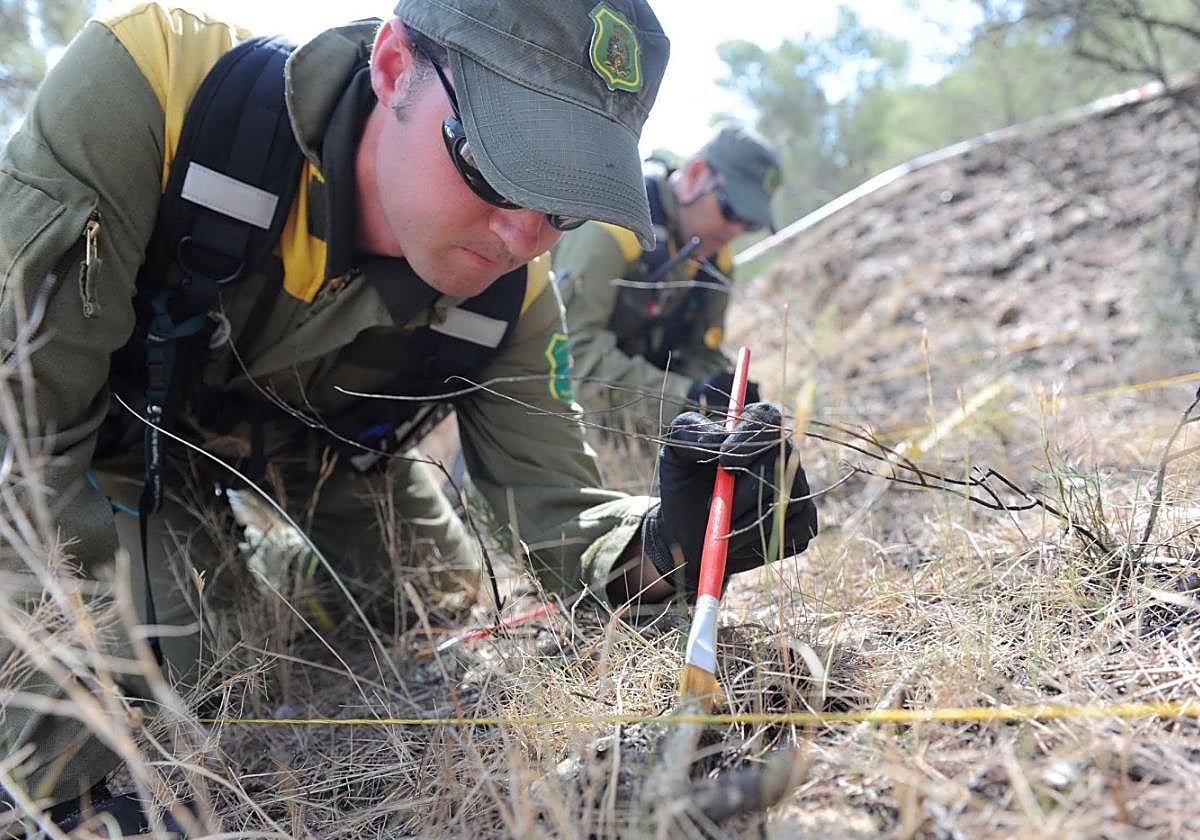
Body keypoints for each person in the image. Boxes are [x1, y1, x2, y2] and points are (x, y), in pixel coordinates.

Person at [0, 1, 816, 834]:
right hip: (107, 453)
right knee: (189, 667)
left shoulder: (514, 302)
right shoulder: (154, 92)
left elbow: (559, 518)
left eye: (566, 205)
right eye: (498, 167)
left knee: (434, 595)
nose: (521, 235)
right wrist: (69, 788)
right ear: (393, 66)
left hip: (322, 468)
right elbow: (16, 442)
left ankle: (270, 574)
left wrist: (673, 542)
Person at [555, 124, 782, 433]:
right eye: (731, 210)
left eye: (751, 223)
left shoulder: (717, 261)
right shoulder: (613, 226)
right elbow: (572, 356)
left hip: (637, 417)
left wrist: (711, 398)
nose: (736, 230)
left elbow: (703, 353)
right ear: (695, 175)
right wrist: (685, 398)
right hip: (558, 411)